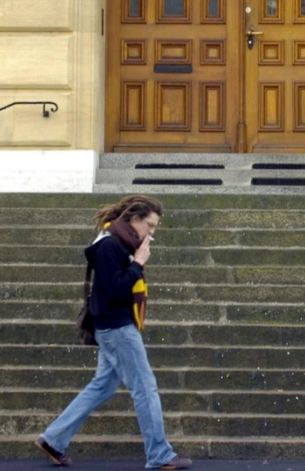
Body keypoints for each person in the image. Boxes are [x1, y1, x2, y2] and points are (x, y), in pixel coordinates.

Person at [35, 195, 192, 470]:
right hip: (117, 328)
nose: (152, 233)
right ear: (134, 219)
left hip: (113, 326)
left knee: (102, 386)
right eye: (150, 225)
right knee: (145, 388)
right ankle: (160, 455)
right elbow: (114, 289)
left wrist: (135, 261)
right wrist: (138, 263)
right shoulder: (110, 245)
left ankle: (53, 439)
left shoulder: (118, 242)